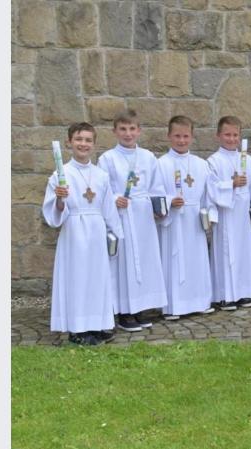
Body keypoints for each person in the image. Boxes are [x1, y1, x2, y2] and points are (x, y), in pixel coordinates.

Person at [43, 123, 123, 345]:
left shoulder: (101, 175)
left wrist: (116, 233)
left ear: (94, 144)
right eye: (79, 139)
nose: (83, 144)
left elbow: (108, 207)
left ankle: (97, 324)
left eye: (88, 140)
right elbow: (55, 214)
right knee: (78, 279)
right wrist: (60, 199)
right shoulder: (61, 175)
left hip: (96, 231)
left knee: (97, 279)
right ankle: (78, 329)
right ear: (69, 142)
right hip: (74, 231)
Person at [97, 109, 168, 332]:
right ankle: (125, 311)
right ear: (115, 131)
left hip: (143, 216)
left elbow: (157, 187)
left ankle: (141, 307)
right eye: (123, 129)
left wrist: (159, 208)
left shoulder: (147, 157)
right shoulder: (107, 158)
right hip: (122, 216)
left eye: (132, 129)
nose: (128, 134)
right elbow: (103, 188)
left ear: (139, 131)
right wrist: (115, 199)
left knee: (145, 261)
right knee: (125, 262)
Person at [156, 116, 214, 321]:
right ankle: (174, 305)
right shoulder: (161, 164)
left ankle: (200, 301)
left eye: (185, 136)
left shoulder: (201, 164)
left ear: (192, 137)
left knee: (197, 259)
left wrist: (209, 216)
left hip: (194, 219)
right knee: (175, 259)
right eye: (177, 136)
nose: (181, 140)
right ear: (169, 136)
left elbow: (209, 193)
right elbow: (155, 192)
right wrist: (170, 201)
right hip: (173, 220)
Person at [206, 116, 251, 310]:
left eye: (235, 135)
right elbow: (211, 188)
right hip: (225, 214)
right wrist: (231, 184)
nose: (231, 139)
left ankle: (244, 293)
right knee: (225, 253)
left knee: (243, 253)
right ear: (218, 136)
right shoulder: (213, 161)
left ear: (240, 137)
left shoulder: (246, 159)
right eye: (227, 135)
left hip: (242, 216)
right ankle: (225, 295)